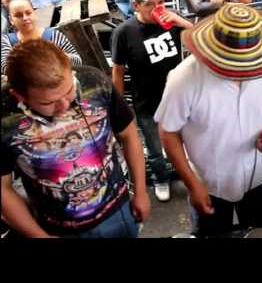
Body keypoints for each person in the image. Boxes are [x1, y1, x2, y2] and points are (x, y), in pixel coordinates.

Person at [155, 4, 262, 237]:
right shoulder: (184, 78)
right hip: (209, 185)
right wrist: (192, 183)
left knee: (256, 231)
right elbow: (168, 132)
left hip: (259, 178)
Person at [1, 39, 151, 238]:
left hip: (119, 211)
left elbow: (129, 135)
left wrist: (140, 190)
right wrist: (39, 236)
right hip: (58, 229)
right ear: (19, 95)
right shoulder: (4, 117)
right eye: (49, 102)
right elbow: (3, 190)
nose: (64, 105)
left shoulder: (94, 81)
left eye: (70, 90)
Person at [111, 0, 193, 202]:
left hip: (178, 97)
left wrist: (182, 22)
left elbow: (201, 38)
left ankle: (187, 175)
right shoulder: (124, 32)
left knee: (185, 140)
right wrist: (119, 106)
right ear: (136, 5)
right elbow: (117, 71)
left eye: (160, 3)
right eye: (150, 4)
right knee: (155, 148)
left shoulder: (172, 20)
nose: (157, 9)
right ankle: (161, 179)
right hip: (147, 100)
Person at [1, 0, 82, 74]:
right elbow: (6, 69)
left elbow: (78, 62)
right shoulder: (7, 41)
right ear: (11, 20)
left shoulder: (54, 36)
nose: (25, 18)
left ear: (35, 14)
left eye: (28, 13)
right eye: (18, 15)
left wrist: (60, 56)